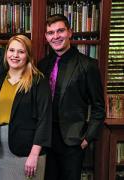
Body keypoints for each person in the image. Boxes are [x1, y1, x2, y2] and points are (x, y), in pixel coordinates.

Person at [38, 14, 106, 180]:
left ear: (70, 32)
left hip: (73, 142)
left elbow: (99, 107)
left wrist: (87, 138)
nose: (56, 36)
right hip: (46, 139)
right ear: (46, 37)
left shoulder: (88, 65)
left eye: (60, 31)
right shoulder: (42, 65)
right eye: (51, 32)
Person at [0, 34, 52, 180]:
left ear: (28, 55)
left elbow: (44, 119)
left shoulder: (38, 81)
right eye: (11, 50)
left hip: (28, 151)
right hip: (1, 151)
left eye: (21, 52)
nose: (15, 55)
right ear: (6, 53)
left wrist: (34, 154)